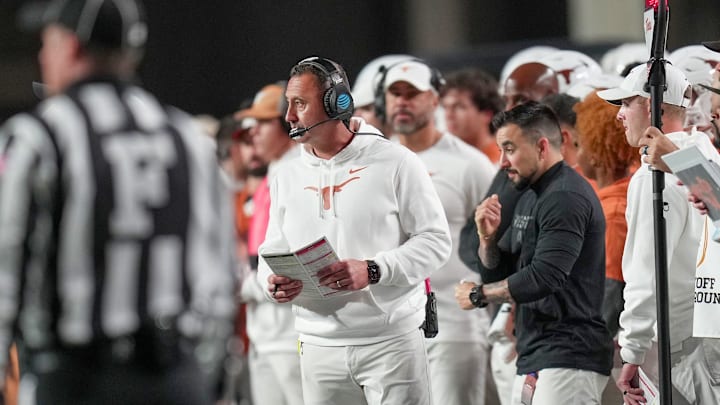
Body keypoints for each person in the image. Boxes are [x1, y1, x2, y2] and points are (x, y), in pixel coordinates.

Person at [0, 0, 236, 404]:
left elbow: (6, 273)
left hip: (79, 378)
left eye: (47, 43)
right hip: (176, 377)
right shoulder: (187, 137)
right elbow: (219, 279)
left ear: (70, 47)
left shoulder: (41, 136)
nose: (42, 55)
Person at [256, 56, 451, 405]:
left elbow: (435, 242)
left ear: (337, 103)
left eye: (300, 103)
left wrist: (374, 269)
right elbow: (272, 249)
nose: (289, 116)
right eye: (289, 103)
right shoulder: (285, 175)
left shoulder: (396, 162)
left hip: (390, 342)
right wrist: (271, 284)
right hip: (316, 344)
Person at [454, 101, 613, 405]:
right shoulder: (531, 194)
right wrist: (487, 241)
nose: (502, 161)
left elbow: (545, 277)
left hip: (569, 356)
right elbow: (508, 272)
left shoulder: (564, 196)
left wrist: (479, 295)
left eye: (510, 149)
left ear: (542, 146)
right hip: (538, 353)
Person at [381, 59, 497, 405]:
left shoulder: (470, 163)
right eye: (395, 94)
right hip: (389, 328)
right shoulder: (373, 159)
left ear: (434, 100)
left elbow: (498, 243)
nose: (402, 101)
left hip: (453, 326)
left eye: (412, 94)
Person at [597, 63, 713, 404]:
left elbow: (646, 274)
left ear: (651, 105)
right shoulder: (704, 154)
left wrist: (632, 351)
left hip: (679, 348)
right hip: (708, 331)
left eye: (626, 103)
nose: (619, 115)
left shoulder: (652, 176)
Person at [234, 82, 304, 405]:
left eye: (262, 123)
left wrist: (246, 285)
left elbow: (292, 253)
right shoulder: (274, 173)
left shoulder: (297, 172)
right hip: (264, 329)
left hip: (289, 330)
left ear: (283, 124)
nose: (253, 133)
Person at [574, 90, 639, 405]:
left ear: (597, 149)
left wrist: (579, 350)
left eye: (579, 144)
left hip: (610, 353)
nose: (576, 155)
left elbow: (610, 293)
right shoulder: (615, 197)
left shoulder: (613, 210)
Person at [440, 67, 504, 163]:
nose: (448, 115)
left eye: (459, 107)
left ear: (487, 114)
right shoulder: (443, 158)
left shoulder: (504, 163)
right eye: (445, 107)